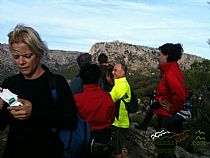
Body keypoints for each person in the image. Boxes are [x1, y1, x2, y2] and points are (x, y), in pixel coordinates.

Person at [0, 24, 78, 158]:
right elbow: (2, 124)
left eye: (27, 56)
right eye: (16, 56)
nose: (21, 62)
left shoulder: (57, 83)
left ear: (39, 53)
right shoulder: (10, 83)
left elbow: (70, 121)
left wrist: (34, 112)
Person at [74, 63, 116, 158]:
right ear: (98, 78)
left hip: (83, 139)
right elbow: (112, 118)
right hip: (103, 139)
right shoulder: (107, 97)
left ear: (82, 79)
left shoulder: (76, 99)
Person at [153, 43, 188, 158]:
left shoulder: (171, 73)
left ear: (166, 56)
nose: (158, 57)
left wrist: (172, 108)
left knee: (165, 152)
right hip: (167, 116)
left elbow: (180, 95)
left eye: (160, 54)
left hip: (168, 119)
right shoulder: (170, 70)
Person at [109, 63, 131, 158]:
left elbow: (109, 99)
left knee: (117, 150)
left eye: (115, 70)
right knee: (116, 147)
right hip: (118, 121)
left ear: (122, 72)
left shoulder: (121, 86)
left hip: (120, 123)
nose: (112, 72)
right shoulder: (120, 84)